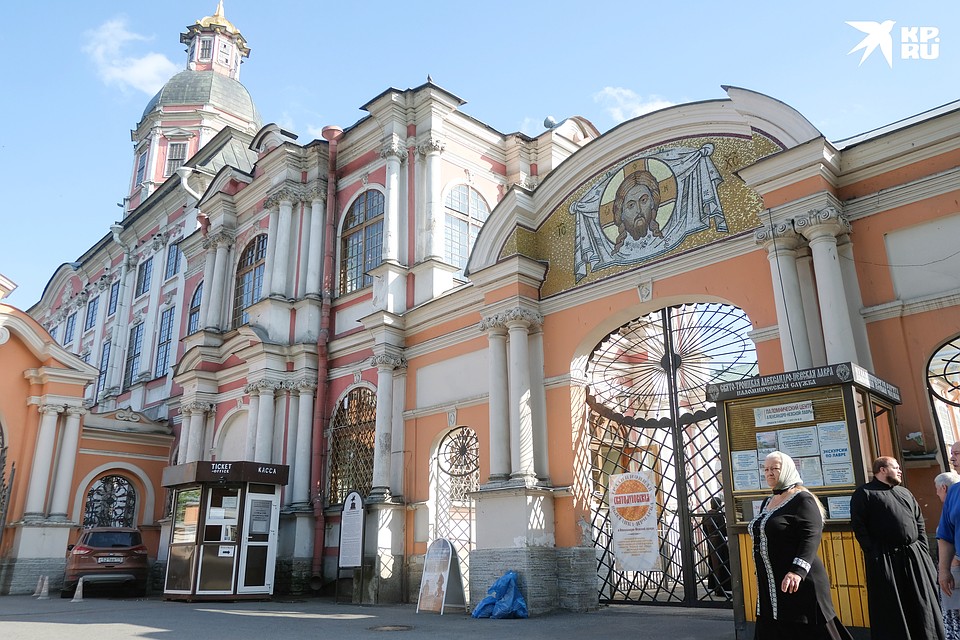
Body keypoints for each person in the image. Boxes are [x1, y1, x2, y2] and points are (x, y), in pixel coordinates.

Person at [749, 451, 853, 639]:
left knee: (809, 629)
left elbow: (811, 536)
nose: (769, 473)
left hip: (798, 581)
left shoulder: (802, 499)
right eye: (766, 469)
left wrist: (797, 571)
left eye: (775, 468)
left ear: (787, 469)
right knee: (772, 627)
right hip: (771, 582)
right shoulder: (767, 502)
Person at [851, 456, 945, 640]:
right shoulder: (865, 493)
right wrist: (874, 552)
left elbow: (918, 520)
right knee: (894, 607)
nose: (900, 470)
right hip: (886, 559)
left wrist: (922, 549)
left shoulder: (904, 492)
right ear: (882, 470)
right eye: (895, 467)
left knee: (922, 602)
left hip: (914, 556)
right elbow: (859, 527)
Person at [612, 169, 663, 252]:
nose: (639, 210)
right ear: (621, 214)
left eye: (643, 200)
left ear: (652, 203)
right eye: (631, 205)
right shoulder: (620, 253)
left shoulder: (661, 241)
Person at [936, 469, 960, 639]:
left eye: (957, 454)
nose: (953, 459)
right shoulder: (955, 492)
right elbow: (945, 535)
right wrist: (943, 570)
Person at [702, 496, 731, 596]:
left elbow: (704, 529)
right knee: (721, 563)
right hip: (719, 541)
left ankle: (715, 587)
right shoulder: (719, 515)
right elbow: (723, 529)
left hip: (711, 541)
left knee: (714, 564)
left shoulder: (706, 515)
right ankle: (721, 588)